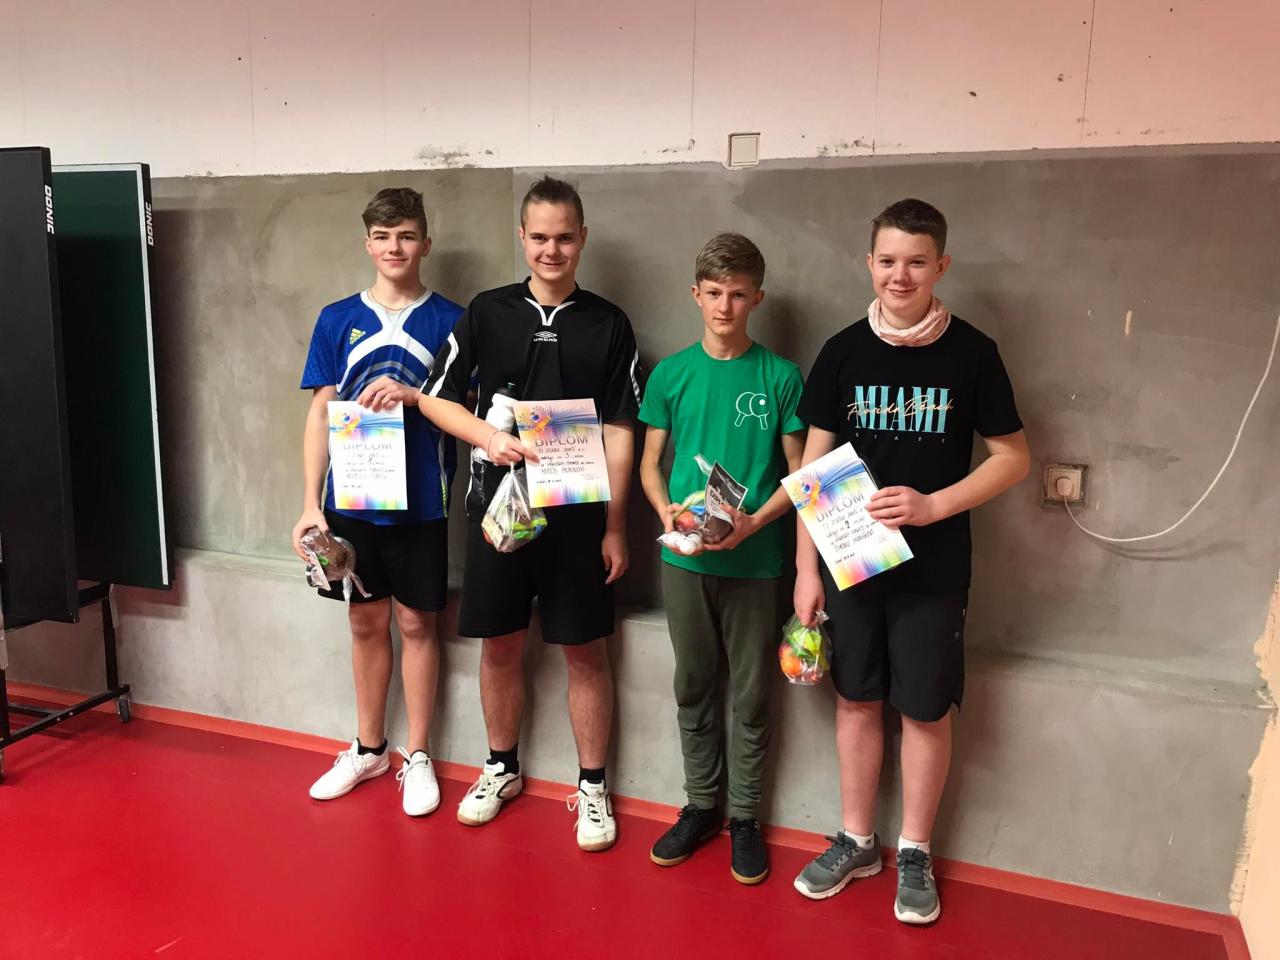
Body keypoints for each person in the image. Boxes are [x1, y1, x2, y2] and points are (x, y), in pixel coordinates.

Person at [790, 199, 1030, 923]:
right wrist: (806, 571)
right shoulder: (841, 351)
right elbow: (811, 468)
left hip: (934, 570)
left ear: (941, 266)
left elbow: (1014, 459)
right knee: (856, 698)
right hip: (851, 563)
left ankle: (915, 851)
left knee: (924, 708)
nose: (901, 275)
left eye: (917, 262)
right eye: (888, 260)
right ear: (870, 263)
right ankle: (857, 839)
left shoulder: (973, 353)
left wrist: (933, 506)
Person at [418, 176, 640, 851]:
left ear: (583, 238)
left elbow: (621, 430)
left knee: (585, 651)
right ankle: (501, 767)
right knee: (500, 643)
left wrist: (615, 525)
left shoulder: (609, 323)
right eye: (539, 237)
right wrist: (488, 438)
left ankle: (593, 787)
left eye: (564, 237)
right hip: (498, 514)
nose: (552, 250)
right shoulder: (487, 311)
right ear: (522, 237)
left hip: (578, 519)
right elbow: (434, 398)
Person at [638, 233, 805, 884]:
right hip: (686, 563)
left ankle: (745, 817)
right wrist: (665, 512)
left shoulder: (780, 377)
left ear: (757, 298)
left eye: (738, 294)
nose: (724, 306)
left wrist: (754, 523)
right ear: (695, 294)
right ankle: (701, 805)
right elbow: (650, 465)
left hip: (756, 564)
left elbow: (801, 476)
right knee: (693, 684)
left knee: (754, 694)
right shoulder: (671, 374)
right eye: (714, 293)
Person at [292, 187, 463, 818]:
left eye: (407, 236)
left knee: (418, 625)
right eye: (384, 237)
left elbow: (466, 410)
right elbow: (321, 411)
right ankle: (369, 749)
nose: (396, 248)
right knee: (365, 623)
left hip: (422, 506)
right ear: (368, 243)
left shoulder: (452, 319)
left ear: (426, 243)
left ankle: (418, 755)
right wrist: (310, 503)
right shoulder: (337, 318)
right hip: (350, 504)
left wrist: (415, 396)